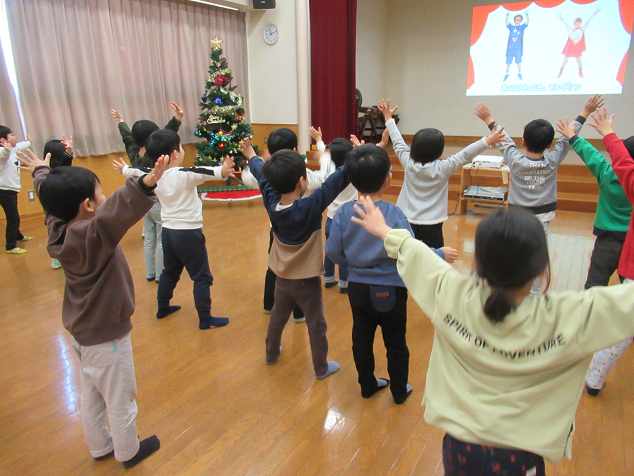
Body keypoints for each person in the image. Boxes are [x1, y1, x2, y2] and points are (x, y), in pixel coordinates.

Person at [351, 195, 634, 476]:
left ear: (480, 264)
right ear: (541, 269)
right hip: (521, 457)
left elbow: (417, 255)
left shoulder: (451, 294)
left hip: (459, 449)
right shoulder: (571, 318)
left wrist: (384, 230)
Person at [17, 148, 166, 469]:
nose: (104, 197)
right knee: (120, 397)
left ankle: (100, 446)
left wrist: (42, 171)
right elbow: (117, 212)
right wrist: (146, 183)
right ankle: (128, 452)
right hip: (106, 337)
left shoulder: (57, 227)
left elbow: (51, 200)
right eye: (100, 193)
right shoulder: (95, 234)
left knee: (92, 393)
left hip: (82, 332)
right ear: (87, 205)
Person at [326, 144, 458, 404]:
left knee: (361, 338)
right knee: (395, 342)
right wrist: (440, 253)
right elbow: (409, 250)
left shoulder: (342, 213)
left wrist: (352, 265)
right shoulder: (394, 213)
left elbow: (333, 252)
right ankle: (399, 390)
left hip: (357, 288)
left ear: (351, 179)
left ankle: (367, 385)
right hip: (391, 289)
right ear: (388, 178)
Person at [240, 138, 347, 379]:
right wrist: (352, 160)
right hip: (306, 282)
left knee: (278, 316)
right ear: (302, 182)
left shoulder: (270, 199)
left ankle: (270, 353)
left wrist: (251, 156)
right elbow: (334, 183)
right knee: (316, 324)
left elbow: (260, 173)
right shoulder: (309, 207)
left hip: (281, 278)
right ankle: (321, 367)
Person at [475, 94, 603, 294]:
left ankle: (509, 291)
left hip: (516, 219)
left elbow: (503, 139)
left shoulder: (515, 160)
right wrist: (585, 112)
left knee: (513, 256)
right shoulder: (553, 158)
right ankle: (533, 298)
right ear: (550, 144)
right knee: (535, 260)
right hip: (541, 221)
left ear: (523, 142)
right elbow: (567, 139)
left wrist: (487, 118)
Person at [378, 99, 506, 248]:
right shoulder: (444, 167)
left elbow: (398, 141)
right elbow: (465, 155)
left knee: (404, 253)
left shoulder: (408, 162)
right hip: (432, 224)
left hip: (406, 219)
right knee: (435, 258)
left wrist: (388, 118)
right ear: (439, 151)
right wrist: (488, 140)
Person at [572, 107, 634, 396]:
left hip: (608, 242)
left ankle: (585, 327)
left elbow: (590, 155)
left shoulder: (610, 175)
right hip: (630, 247)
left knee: (594, 284)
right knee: (628, 295)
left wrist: (572, 136)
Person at [145, 129, 233, 330]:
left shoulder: (154, 176)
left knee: (170, 271)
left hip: (168, 232)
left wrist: (125, 169)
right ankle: (205, 319)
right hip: (188, 234)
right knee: (201, 276)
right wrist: (222, 170)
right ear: (175, 153)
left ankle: (162, 308)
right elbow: (201, 172)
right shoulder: (182, 175)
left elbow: (134, 171)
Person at [241, 127, 330, 320]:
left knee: (274, 267)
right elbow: (324, 178)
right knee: (301, 273)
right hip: (303, 232)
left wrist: (253, 157)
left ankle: (268, 304)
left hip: (278, 228)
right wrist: (322, 150)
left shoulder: (267, 172)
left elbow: (247, 176)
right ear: (295, 148)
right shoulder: (303, 172)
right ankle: (299, 314)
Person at [110, 103, 184, 280]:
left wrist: (121, 122)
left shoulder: (134, 154)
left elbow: (127, 138)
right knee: (160, 240)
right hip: (158, 204)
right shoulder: (154, 157)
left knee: (150, 240)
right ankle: (160, 275)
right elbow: (166, 134)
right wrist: (177, 119)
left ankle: (150, 273)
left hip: (143, 205)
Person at [309, 126, 357, 293]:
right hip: (349, 220)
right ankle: (344, 283)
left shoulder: (329, 174)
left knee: (330, 249)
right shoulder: (353, 173)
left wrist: (319, 140)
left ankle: (328, 279)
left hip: (331, 220)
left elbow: (326, 156)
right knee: (346, 252)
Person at [43, 135, 75, 268]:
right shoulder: (52, 172)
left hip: (64, 210)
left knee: (65, 233)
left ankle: (64, 255)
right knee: (57, 233)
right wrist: (68, 154)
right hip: (55, 212)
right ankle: (57, 258)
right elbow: (63, 166)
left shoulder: (55, 171)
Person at [0, 126, 32, 254]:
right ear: (4, 139)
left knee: (14, 214)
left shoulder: (12, 150)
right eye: (12, 135)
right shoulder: (4, 152)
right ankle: (11, 246)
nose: (14, 137)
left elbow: (19, 146)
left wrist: (29, 142)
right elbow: (3, 156)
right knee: (13, 217)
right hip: (4, 190)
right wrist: (6, 151)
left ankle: (18, 235)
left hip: (10, 190)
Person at [556, 9, 600, 79]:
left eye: (579, 22)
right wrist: (561, 18)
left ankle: (580, 72)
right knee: (565, 60)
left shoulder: (582, 28)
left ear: (580, 23)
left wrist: (595, 13)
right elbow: (566, 23)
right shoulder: (571, 29)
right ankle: (560, 72)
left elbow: (588, 20)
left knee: (579, 60)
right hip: (571, 45)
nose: (577, 23)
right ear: (574, 23)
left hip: (577, 46)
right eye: (576, 22)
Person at [503, 11, 529, 81]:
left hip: (518, 48)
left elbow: (527, 22)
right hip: (510, 48)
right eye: (516, 19)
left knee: (518, 61)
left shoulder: (521, 27)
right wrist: (507, 14)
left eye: (519, 20)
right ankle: (507, 73)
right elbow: (507, 23)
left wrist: (527, 14)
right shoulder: (512, 27)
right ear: (514, 20)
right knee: (508, 61)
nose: (518, 21)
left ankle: (519, 72)